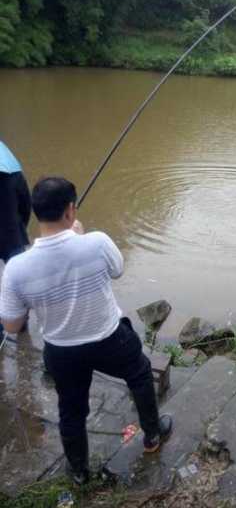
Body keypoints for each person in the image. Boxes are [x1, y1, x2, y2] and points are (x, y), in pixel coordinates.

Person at [0, 177, 172, 484]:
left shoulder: (16, 268)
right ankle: (152, 435)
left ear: (35, 212)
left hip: (62, 352)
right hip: (109, 339)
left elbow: (12, 325)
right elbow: (117, 270)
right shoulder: (96, 242)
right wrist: (80, 236)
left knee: (71, 409)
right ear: (70, 210)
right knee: (140, 374)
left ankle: (79, 471)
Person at [0, 141, 31, 341]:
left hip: (12, 234)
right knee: (20, 282)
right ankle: (21, 325)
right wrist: (22, 227)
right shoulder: (8, 167)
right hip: (12, 235)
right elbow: (25, 201)